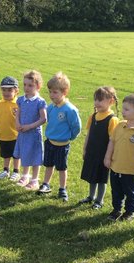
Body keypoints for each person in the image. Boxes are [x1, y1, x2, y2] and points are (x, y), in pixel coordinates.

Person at [104, 93, 134, 221]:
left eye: (126, 109)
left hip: (131, 170)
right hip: (115, 166)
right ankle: (116, 209)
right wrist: (107, 157)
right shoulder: (120, 125)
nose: (123, 111)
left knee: (131, 193)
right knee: (116, 191)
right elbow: (112, 142)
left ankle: (130, 212)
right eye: (123, 108)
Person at [37, 72, 81, 200]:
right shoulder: (50, 107)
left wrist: (70, 137)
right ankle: (46, 184)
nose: (51, 95)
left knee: (61, 167)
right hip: (50, 142)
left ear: (64, 92)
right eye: (50, 92)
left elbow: (76, 127)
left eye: (55, 92)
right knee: (48, 165)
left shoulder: (70, 109)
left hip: (62, 144)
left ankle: (62, 188)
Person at [80, 86, 119, 209]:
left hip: (103, 155)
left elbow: (112, 141)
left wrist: (108, 156)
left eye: (100, 100)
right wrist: (85, 149)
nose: (97, 102)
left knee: (101, 178)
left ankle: (99, 200)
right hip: (92, 152)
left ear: (111, 101)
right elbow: (89, 134)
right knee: (92, 176)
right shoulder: (93, 116)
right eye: (96, 99)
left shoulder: (112, 119)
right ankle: (91, 196)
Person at [13, 70, 47, 190]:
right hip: (23, 133)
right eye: (25, 85)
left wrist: (29, 126)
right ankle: (25, 176)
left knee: (35, 155)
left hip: (33, 134)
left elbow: (43, 119)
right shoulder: (21, 100)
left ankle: (34, 180)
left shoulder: (40, 102)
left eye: (30, 85)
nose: (27, 88)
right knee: (24, 153)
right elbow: (18, 112)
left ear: (38, 86)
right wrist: (17, 122)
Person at [0, 76, 21, 181]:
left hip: (15, 135)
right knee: (5, 154)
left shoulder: (18, 104)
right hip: (3, 135)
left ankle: (16, 171)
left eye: (9, 90)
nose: (6, 93)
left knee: (16, 155)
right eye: (4, 90)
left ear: (16, 91)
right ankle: (6, 170)